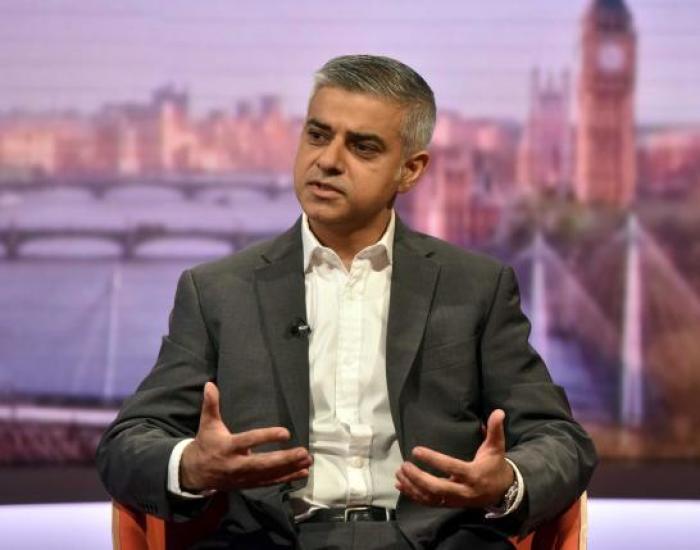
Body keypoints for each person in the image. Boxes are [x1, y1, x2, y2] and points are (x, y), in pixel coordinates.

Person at [96, 54, 597, 550]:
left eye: (362, 146)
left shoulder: (476, 287)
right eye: (317, 134)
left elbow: (561, 440)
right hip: (268, 540)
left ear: (410, 171)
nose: (328, 160)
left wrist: (505, 482)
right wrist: (191, 465)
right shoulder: (218, 291)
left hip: (438, 540)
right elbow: (128, 443)